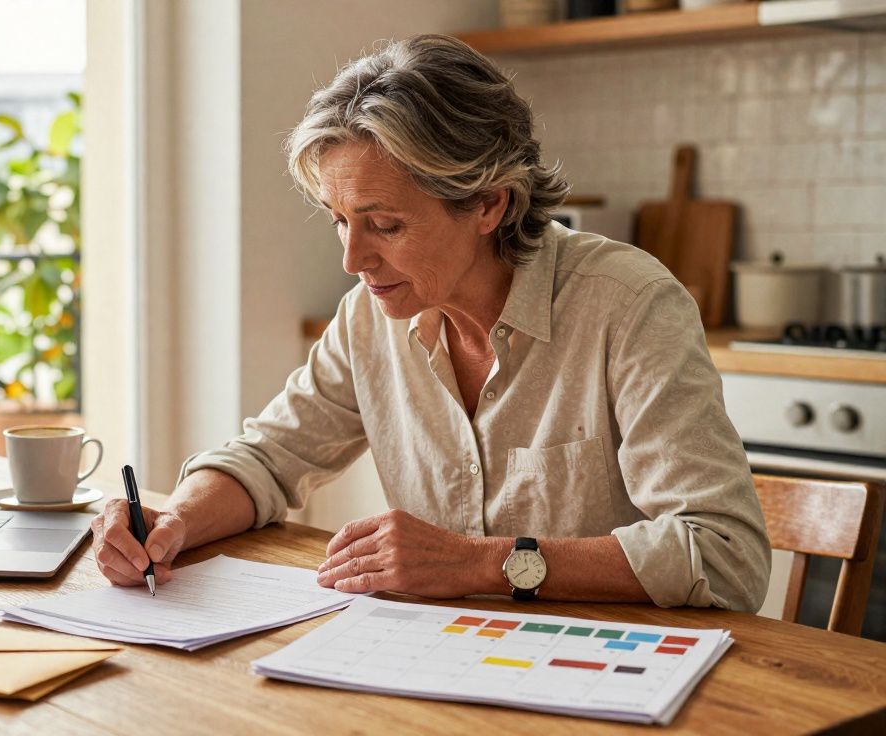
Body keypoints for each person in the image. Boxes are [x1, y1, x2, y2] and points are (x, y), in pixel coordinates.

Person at [90, 34, 770, 610]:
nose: (355, 258)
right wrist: (176, 517)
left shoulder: (628, 305)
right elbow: (267, 460)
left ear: (488, 204)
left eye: (384, 224)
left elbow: (726, 555)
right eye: (340, 222)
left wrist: (483, 563)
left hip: (615, 675)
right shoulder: (370, 318)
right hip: (444, 669)